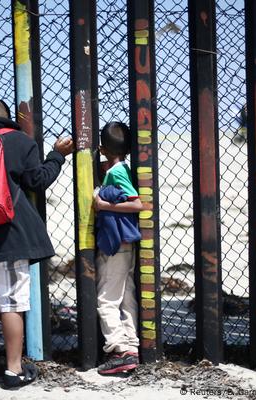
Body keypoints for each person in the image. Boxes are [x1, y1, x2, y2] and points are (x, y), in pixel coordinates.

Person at [0, 99, 73, 388]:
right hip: (11, 235)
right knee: (11, 302)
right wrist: (56, 155)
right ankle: (13, 371)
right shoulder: (18, 141)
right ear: (7, 118)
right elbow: (37, 181)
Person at [94, 121, 143, 375]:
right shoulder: (122, 168)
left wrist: (103, 205)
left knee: (106, 299)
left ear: (102, 149)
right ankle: (131, 347)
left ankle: (118, 349)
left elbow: (136, 204)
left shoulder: (117, 172)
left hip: (115, 245)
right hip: (127, 243)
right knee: (126, 297)